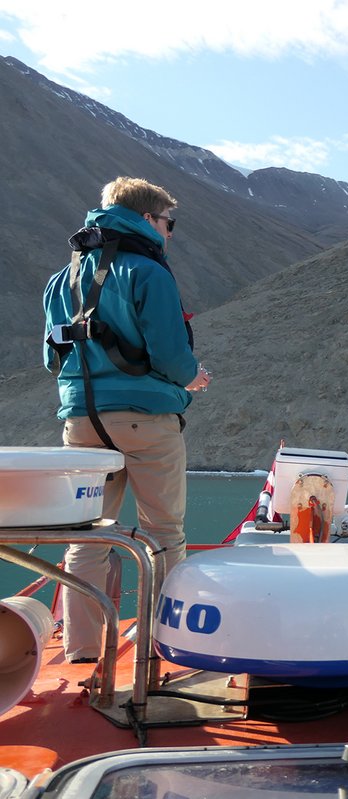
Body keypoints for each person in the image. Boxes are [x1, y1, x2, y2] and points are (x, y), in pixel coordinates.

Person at [43, 176, 211, 663]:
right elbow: (169, 354)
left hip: (80, 421)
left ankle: (81, 650)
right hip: (145, 421)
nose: (170, 232)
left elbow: (52, 361)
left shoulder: (62, 279)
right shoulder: (149, 273)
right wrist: (194, 378)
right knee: (163, 533)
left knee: (88, 536)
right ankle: (163, 645)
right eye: (168, 222)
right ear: (146, 219)